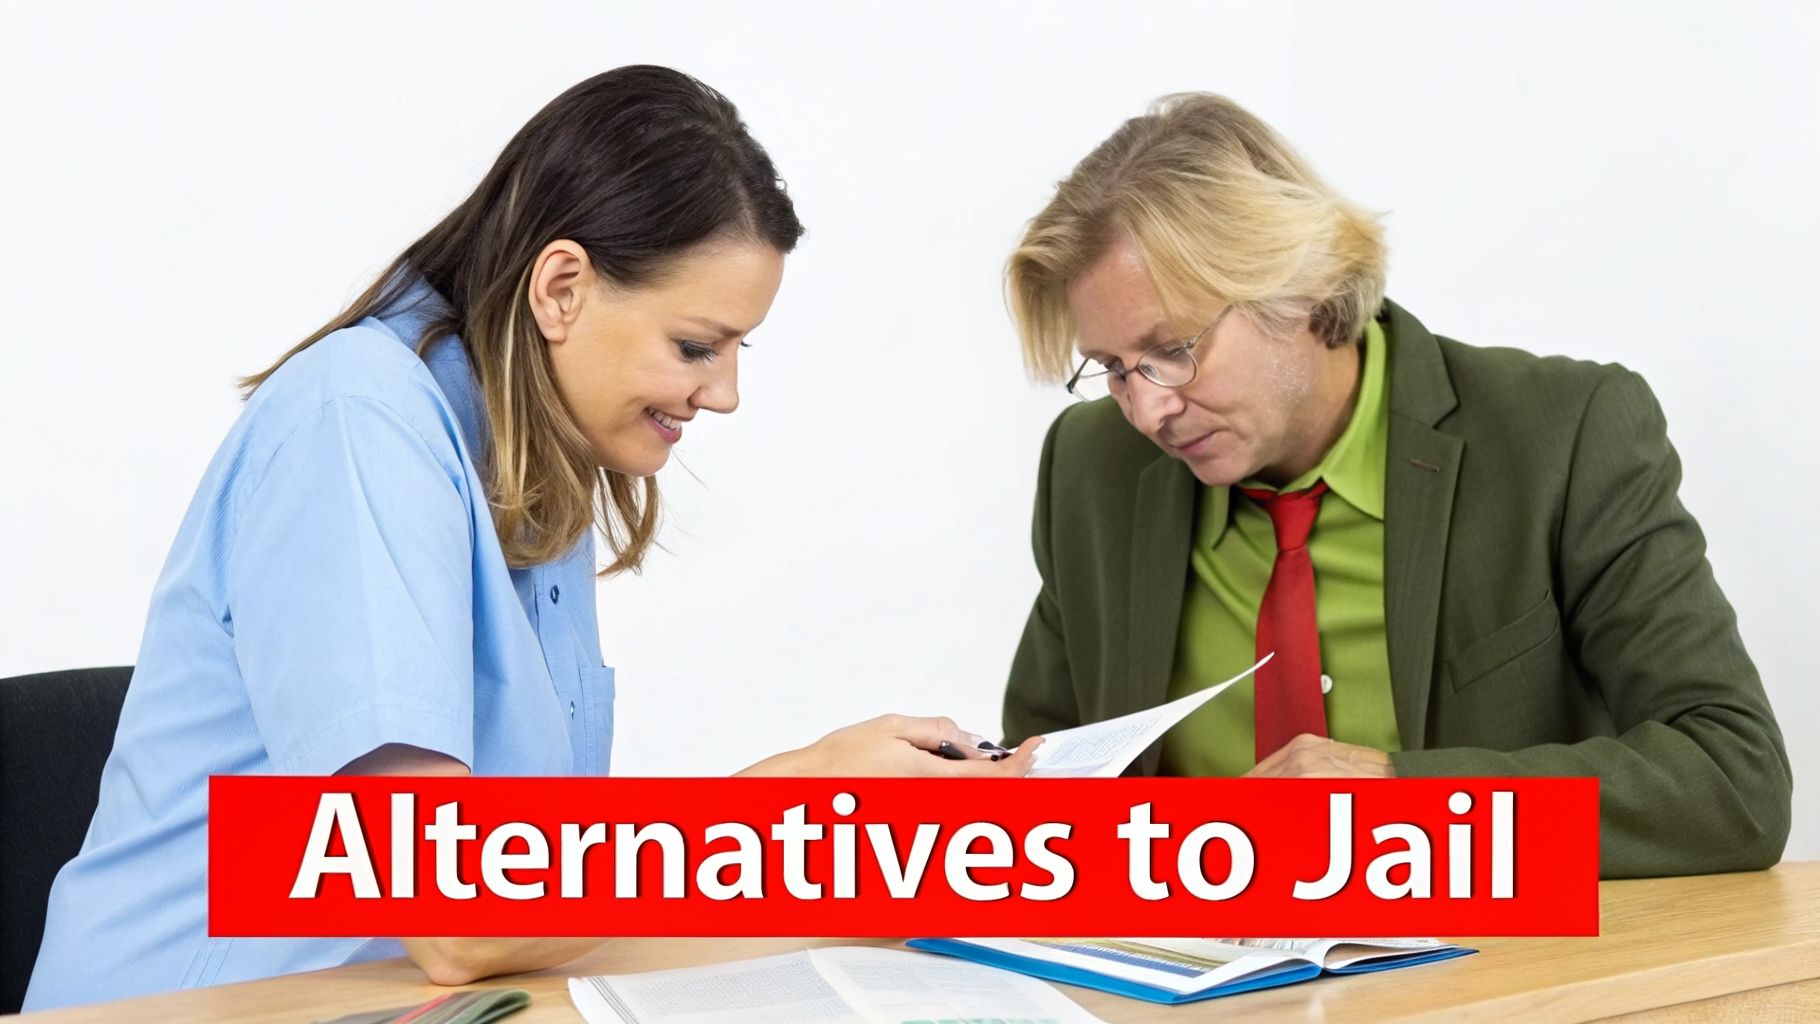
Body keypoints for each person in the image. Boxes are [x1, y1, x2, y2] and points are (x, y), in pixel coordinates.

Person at [24, 66, 1037, 1011]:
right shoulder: (357, 421)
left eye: (736, 350)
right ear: (560, 288)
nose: (723, 392)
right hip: (194, 1005)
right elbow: (454, 911)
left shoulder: (527, 457)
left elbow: (547, 913)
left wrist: (864, 880)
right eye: (696, 345)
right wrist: (797, 792)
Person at [999, 92, 1790, 878]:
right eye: (1110, 368)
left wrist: (1398, 803)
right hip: (1196, 991)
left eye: (1171, 348)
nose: (1147, 407)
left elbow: (1734, 779)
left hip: (1497, 983)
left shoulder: (1562, 437)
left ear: (1298, 287)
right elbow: (1046, 786)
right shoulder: (1092, 466)